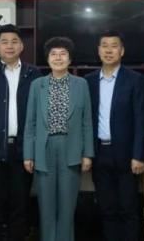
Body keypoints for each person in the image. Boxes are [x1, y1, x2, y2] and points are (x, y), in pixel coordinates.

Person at [0, 24, 41, 241]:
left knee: (20, 206)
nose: (9, 46)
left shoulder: (34, 74)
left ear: (22, 46)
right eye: (4, 42)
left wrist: (33, 150)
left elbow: (38, 115)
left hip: (23, 152)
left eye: (14, 42)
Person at [23, 37, 94, 241]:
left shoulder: (81, 84)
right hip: (43, 149)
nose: (58, 58)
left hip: (71, 149)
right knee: (46, 208)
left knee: (67, 207)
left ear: (70, 59)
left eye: (63, 54)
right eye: (53, 54)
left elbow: (86, 121)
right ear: (48, 59)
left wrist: (88, 154)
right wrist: (28, 155)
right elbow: (30, 122)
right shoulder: (37, 85)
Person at [84, 31, 144, 241]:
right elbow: (85, 121)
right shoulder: (88, 81)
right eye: (105, 46)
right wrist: (87, 153)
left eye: (114, 46)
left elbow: (141, 119)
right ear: (98, 51)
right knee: (107, 209)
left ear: (122, 51)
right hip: (99, 153)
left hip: (127, 155)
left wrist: (138, 155)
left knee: (128, 208)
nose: (109, 50)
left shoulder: (135, 80)